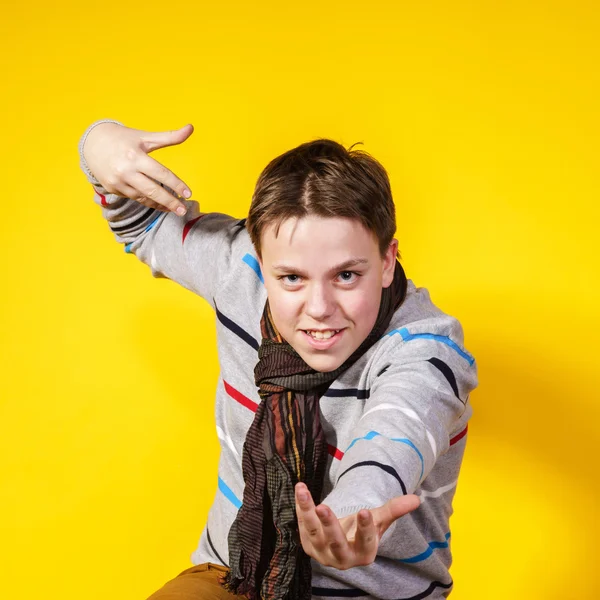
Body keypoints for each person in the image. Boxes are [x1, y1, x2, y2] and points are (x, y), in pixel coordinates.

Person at [78, 120, 478, 600]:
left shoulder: (426, 347)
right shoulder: (238, 271)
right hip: (236, 572)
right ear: (259, 260)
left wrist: (353, 512)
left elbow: (395, 437)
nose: (319, 307)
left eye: (347, 275)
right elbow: (141, 223)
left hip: (369, 592)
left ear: (388, 260)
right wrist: (96, 143)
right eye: (291, 278)